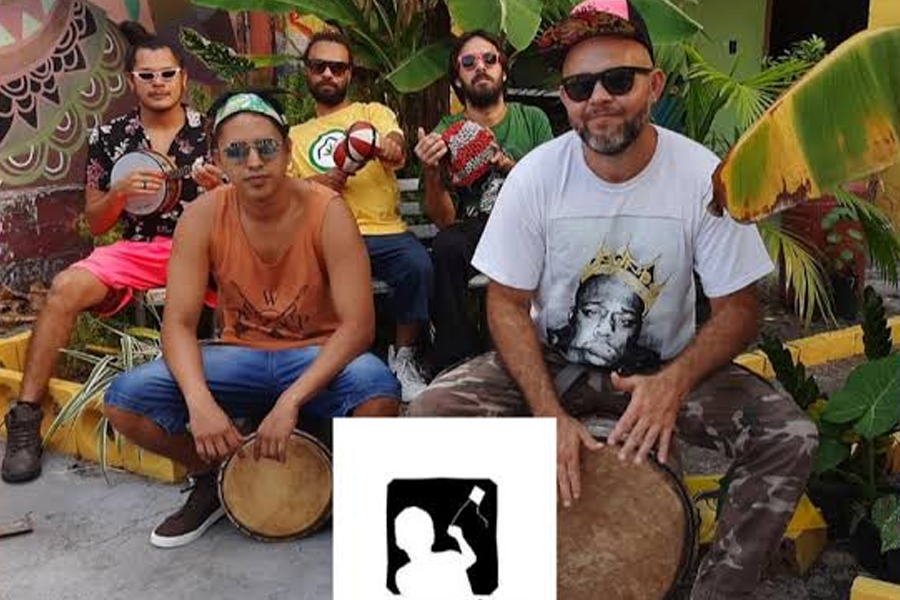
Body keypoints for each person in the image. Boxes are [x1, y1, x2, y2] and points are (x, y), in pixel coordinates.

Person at [409, 1, 819, 598]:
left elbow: (739, 308)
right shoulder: (536, 176)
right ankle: (487, 568)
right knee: (428, 414)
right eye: (580, 87)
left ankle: (715, 590)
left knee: (789, 435)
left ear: (655, 85)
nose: (598, 97)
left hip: (662, 368)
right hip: (553, 362)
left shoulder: (700, 176)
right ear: (565, 99)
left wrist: (674, 382)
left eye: (618, 80)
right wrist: (546, 413)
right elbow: (505, 302)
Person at [102, 91, 401, 548]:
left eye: (266, 147)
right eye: (238, 152)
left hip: (313, 355)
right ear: (218, 158)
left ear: (287, 150)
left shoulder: (327, 210)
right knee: (125, 399)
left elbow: (359, 326)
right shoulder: (202, 216)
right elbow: (178, 323)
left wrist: (291, 401)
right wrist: (199, 403)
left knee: (377, 388)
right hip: (238, 356)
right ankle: (214, 474)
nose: (254, 162)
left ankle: (333, 480)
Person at [1, 22, 224, 484]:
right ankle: (25, 420)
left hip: (207, 247)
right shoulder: (109, 136)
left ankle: (238, 407)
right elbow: (97, 221)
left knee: (250, 285)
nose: (159, 83)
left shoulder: (213, 132)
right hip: (140, 249)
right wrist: (118, 193)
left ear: (184, 78)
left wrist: (222, 190)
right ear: (131, 81)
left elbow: (248, 204)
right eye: (147, 75)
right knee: (64, 288)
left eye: (167, 74)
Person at [288, 30, 433, 401]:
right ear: (307, 71)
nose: (328, 74)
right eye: (319, 66)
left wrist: (383, 147)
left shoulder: (371, 112)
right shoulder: (294, 135)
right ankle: (324, 367)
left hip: (383, 231)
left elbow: (396, 146)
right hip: (327, 234)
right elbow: (284, 192)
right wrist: (320, 183)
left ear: (349, 74)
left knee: (417, 265)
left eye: (337, 68)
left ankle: (403, 359)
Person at [414, 31, 553, 373]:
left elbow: (552, 193)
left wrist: (507, 166)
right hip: (475, 231)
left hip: (527, 226)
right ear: (457, 80)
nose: (480, 67)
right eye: (468, 62)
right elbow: (445, 221)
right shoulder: (446, 131)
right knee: (446, 246)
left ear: (503, 72)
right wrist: (432, 172)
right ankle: (457, 361)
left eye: (490, 59)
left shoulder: (532, 119)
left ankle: (547, 353)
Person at [395, 507, 476, 600]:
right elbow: (471, 558)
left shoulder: (402, 576)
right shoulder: (451, 558)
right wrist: (459, 536)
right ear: (432, 536)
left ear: (399, 542)